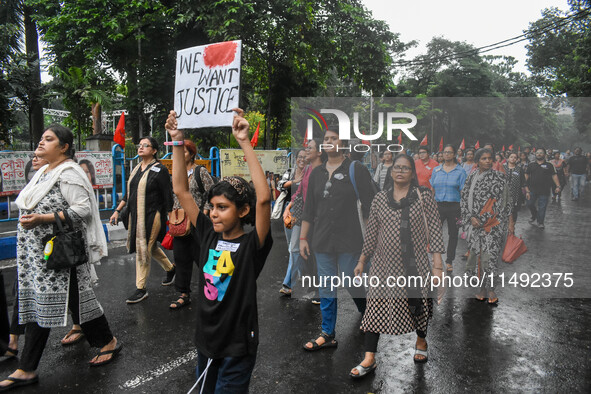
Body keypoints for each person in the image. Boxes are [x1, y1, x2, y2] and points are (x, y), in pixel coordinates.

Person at [0, 124, 120, 391]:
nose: (41, 143)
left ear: (64, 147)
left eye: (49, 139)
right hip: (39, 259)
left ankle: (29, 367)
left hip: (60, 258)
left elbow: (84, 210)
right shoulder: (46, 171)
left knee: (69, 304)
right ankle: (27, 366)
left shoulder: (69, 173)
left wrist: (42, 218)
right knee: (55, 305)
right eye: (42, 138)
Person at [166, 108, 272, 393]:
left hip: (238, 347)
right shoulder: (207, 235)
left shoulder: (253, 245)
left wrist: (244, 142)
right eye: (212, 207)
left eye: (222, 207)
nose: (213, 213)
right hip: (206, 342)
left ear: (243, 210)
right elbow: (181, 189)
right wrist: (177, 140)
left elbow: (263, 199)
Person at [349, 154, 446, 377]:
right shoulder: (380, 199)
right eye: (396, 168)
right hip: (382, 267)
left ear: (412, 174)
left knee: (418, 307)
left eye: (405, 168)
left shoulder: (423, 197)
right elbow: (372, 232)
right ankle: (369, 357)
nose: (400, 171)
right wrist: (363, 260)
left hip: (415, 265)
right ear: (391, 172)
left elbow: (434, 229)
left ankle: (421, 341)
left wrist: (438, 266)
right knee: (374, 308)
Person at [300, 128, 374, 351]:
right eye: (326, 139)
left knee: (353, 281)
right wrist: (303, 237)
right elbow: (309, 208)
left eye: (334, 138)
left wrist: (372, 241)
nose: (329, 142)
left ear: (343, 143)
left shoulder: (356, 169)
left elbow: (371, 207)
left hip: (350, 239)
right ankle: (327, 332)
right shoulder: (316, 173)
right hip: (322, 239)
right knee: (326, 285)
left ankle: (367, 313)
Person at [110, 136, 175, 304]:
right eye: (140, 145)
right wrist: (117, 211)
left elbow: (168, 195)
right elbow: (128, 194)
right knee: (149, 247)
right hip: (136, 216)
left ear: (154, 150)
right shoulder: (137, 169)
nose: (140, 148)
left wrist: (171, 217)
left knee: (143, 249)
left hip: (153, 216)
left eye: (145, 145)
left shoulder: (160, 170)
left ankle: (141, 288)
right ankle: (171, 268)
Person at [169, 140, 215, 310]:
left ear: (192, 154)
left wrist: (204, 214)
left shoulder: (200, 171)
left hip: (197, 222)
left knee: (202, 258)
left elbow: (212, 193)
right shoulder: (176, 172)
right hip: (180, 222)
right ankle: (183, 294)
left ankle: (212, 291)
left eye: (185, 152)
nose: (182, 155)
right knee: (181, 258)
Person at [461, 148, 509, 304]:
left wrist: (489, 220)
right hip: (474, 225)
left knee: (490, 257)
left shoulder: (499, 177)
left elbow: (504, 202)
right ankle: (481, 288)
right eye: (484, 158)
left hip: (492, 226)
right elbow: (464, 198)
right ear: (477, 161)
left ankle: (491, 289)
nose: (488, 161)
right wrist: (470, 218)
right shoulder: (472, 176)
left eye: (490, 158)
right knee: (477, 257)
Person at [284, 138, 325, 304]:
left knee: (318, 255)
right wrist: (289, 207)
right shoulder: (308, 169)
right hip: (305, 218)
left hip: (320, 220)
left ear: (320, 152)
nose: (306, 151)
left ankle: (321, 290)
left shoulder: (325, 171)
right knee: (301, 251)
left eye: (310, 149)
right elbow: (300, 190)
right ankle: (313, 286)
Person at [430, 145, 467, 272]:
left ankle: (449, 260)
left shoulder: (460, 171)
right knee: (434, 233)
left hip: (454, 207)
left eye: (449, 152)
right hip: (438, 206)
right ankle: (436, 258)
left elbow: (463, 191)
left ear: (454, 155)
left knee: (453, 234)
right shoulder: (436, 170)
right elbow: (432, 189)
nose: (447, 155)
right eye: (445, 152)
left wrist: (465, 209)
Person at [278, 149, 307, 295]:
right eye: (300, 157)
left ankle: (288, 283)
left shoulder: (309, 173)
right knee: (291, 245)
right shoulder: (291, 171)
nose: (302, 159)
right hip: (288, 212)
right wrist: (295, 181)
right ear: (296, 159)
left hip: (301, 212)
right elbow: (280, 185)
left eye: (304, 157)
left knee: (294, 247)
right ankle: (302, 273)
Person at [525, 148, 561, 229]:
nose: (539, 154)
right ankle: (534, 215)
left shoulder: (549, 165)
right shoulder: (531, 164)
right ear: (535, 154)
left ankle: (540, 222)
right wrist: (524, 185)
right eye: (537, 153)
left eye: (541, 153)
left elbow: (554, 175)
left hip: (544, 190)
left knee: (542, 207)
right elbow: (526, 175)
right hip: (532, 189)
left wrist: (558, 186)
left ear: (545, 154)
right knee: (529, 204)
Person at [503, 152, 525, 234]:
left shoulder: (519, 169)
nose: (513, 158)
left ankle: (512, 226)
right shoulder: (503, 167)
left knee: (513, 211)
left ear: (517, 159)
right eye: (511, 157)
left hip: (516, 195)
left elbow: (523, 182)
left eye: (515, 157)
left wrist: (527, 192)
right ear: (508, 158)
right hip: (503, 195)